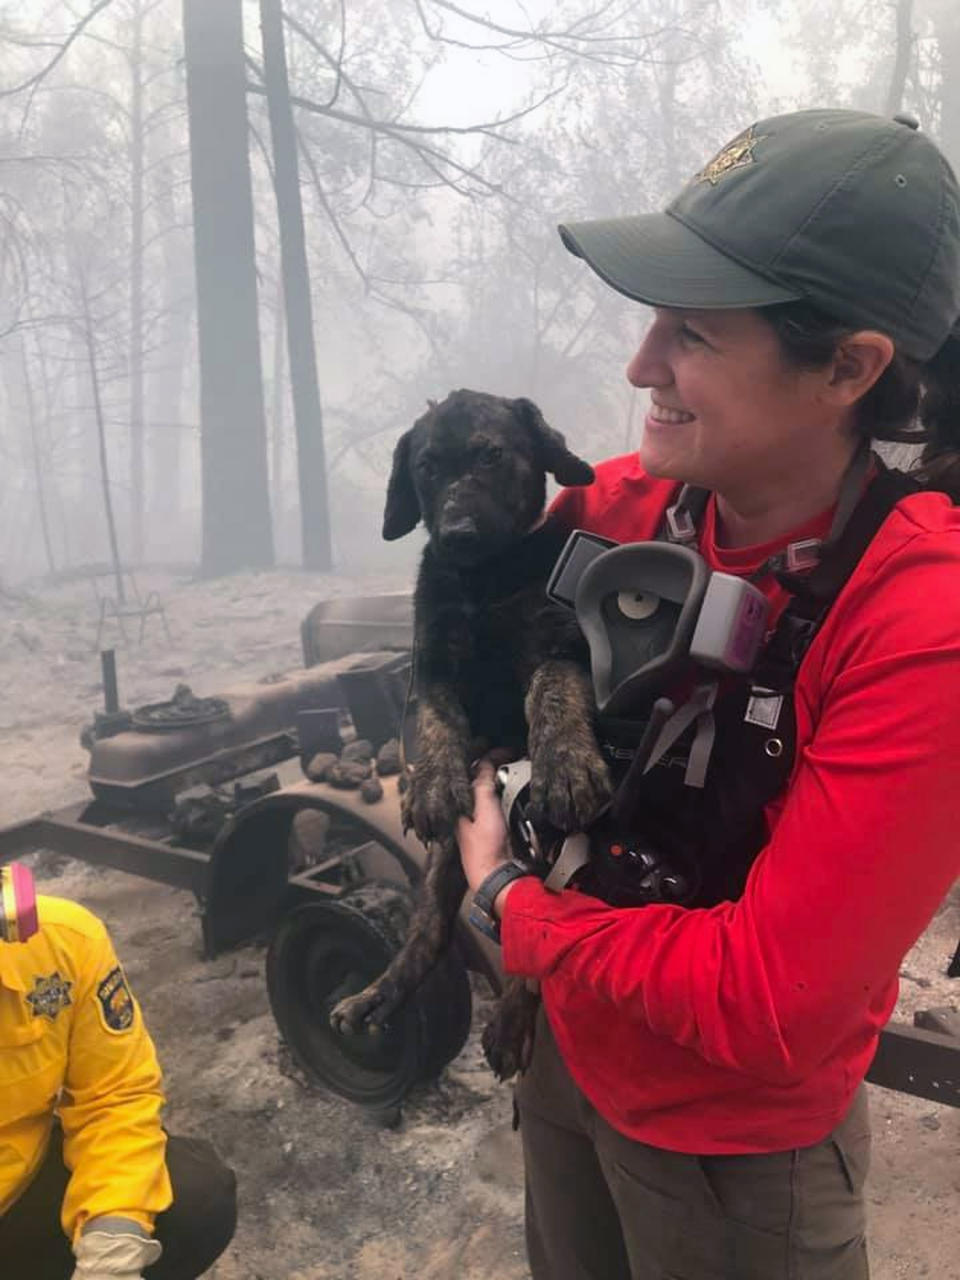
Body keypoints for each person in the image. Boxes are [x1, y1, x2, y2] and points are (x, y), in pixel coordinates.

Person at [457, 108, 960, 1279]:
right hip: (569, 1056)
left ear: (849, 366)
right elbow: (457, 637)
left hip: (732, 1153)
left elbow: (770, 1002)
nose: (640, 365)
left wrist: (508, 906)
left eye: (692, 333)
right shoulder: (639, 504)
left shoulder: (917, 621)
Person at [0, 863, 237, 1279]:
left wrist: (111, 1245)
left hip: (17, 1183)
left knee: (196, 1198)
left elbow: (113, 1097)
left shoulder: (61, 945)